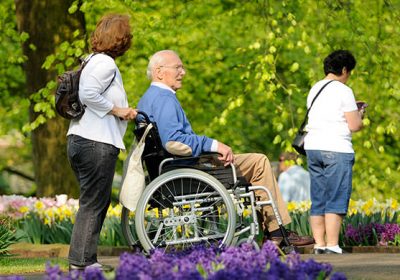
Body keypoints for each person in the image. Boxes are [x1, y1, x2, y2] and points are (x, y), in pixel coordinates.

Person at [137, 50, 314, 247]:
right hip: (188, 169)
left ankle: (274, 231)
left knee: (254, 163)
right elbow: (174, 141)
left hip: (174, 168)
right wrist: (213, 145)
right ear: (159, 72)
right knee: (259, 162)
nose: (183, 72)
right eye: (178, 67)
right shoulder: (164, 98)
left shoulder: (148, 99)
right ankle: (276, 231)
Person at [66, 14, 137, 271]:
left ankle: (82, 260)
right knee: (94, 201)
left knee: (92, 200)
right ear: (121, 39)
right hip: (95, 142)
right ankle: (82, 263)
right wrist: (120, 111)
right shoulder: (106, 64)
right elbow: (87, 94)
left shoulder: (91, 61)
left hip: (80, 139)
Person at [304, 50, 364, 254]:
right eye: (349, 72)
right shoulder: (344, 91)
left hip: (313, 148)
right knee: (336, 196)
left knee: (319, 197)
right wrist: (361, 114)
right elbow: (354, 125)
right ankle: (332, 245)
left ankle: (319, 244)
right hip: (336, 148)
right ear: (345, 69)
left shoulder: (315, 88)